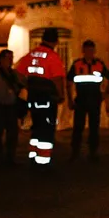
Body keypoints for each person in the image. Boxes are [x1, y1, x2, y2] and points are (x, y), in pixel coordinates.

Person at [15, 27, 64, 167]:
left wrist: (26, 85)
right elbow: (57, 79)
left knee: (36, 127)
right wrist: (60, 95)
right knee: (46, 130)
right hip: (47, 98)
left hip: (33, 97)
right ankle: (43, 161)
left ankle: (33, 156)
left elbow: (18, 72)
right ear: (56, 41)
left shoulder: (31, 54)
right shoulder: (52, 57)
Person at [66, 39, 108, 160]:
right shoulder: (77, 64)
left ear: (94, 51)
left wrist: (105, 93)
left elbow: (108, 77)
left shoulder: (99, 64)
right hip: (81, 100)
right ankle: (75, 152)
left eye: (91, 50)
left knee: (94, 128)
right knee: (78, 127)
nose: (89, 52)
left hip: (95, 99)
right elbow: (68, 82)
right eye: (87, 50)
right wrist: (70, 99)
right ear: (83, 51)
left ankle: (93, 152)